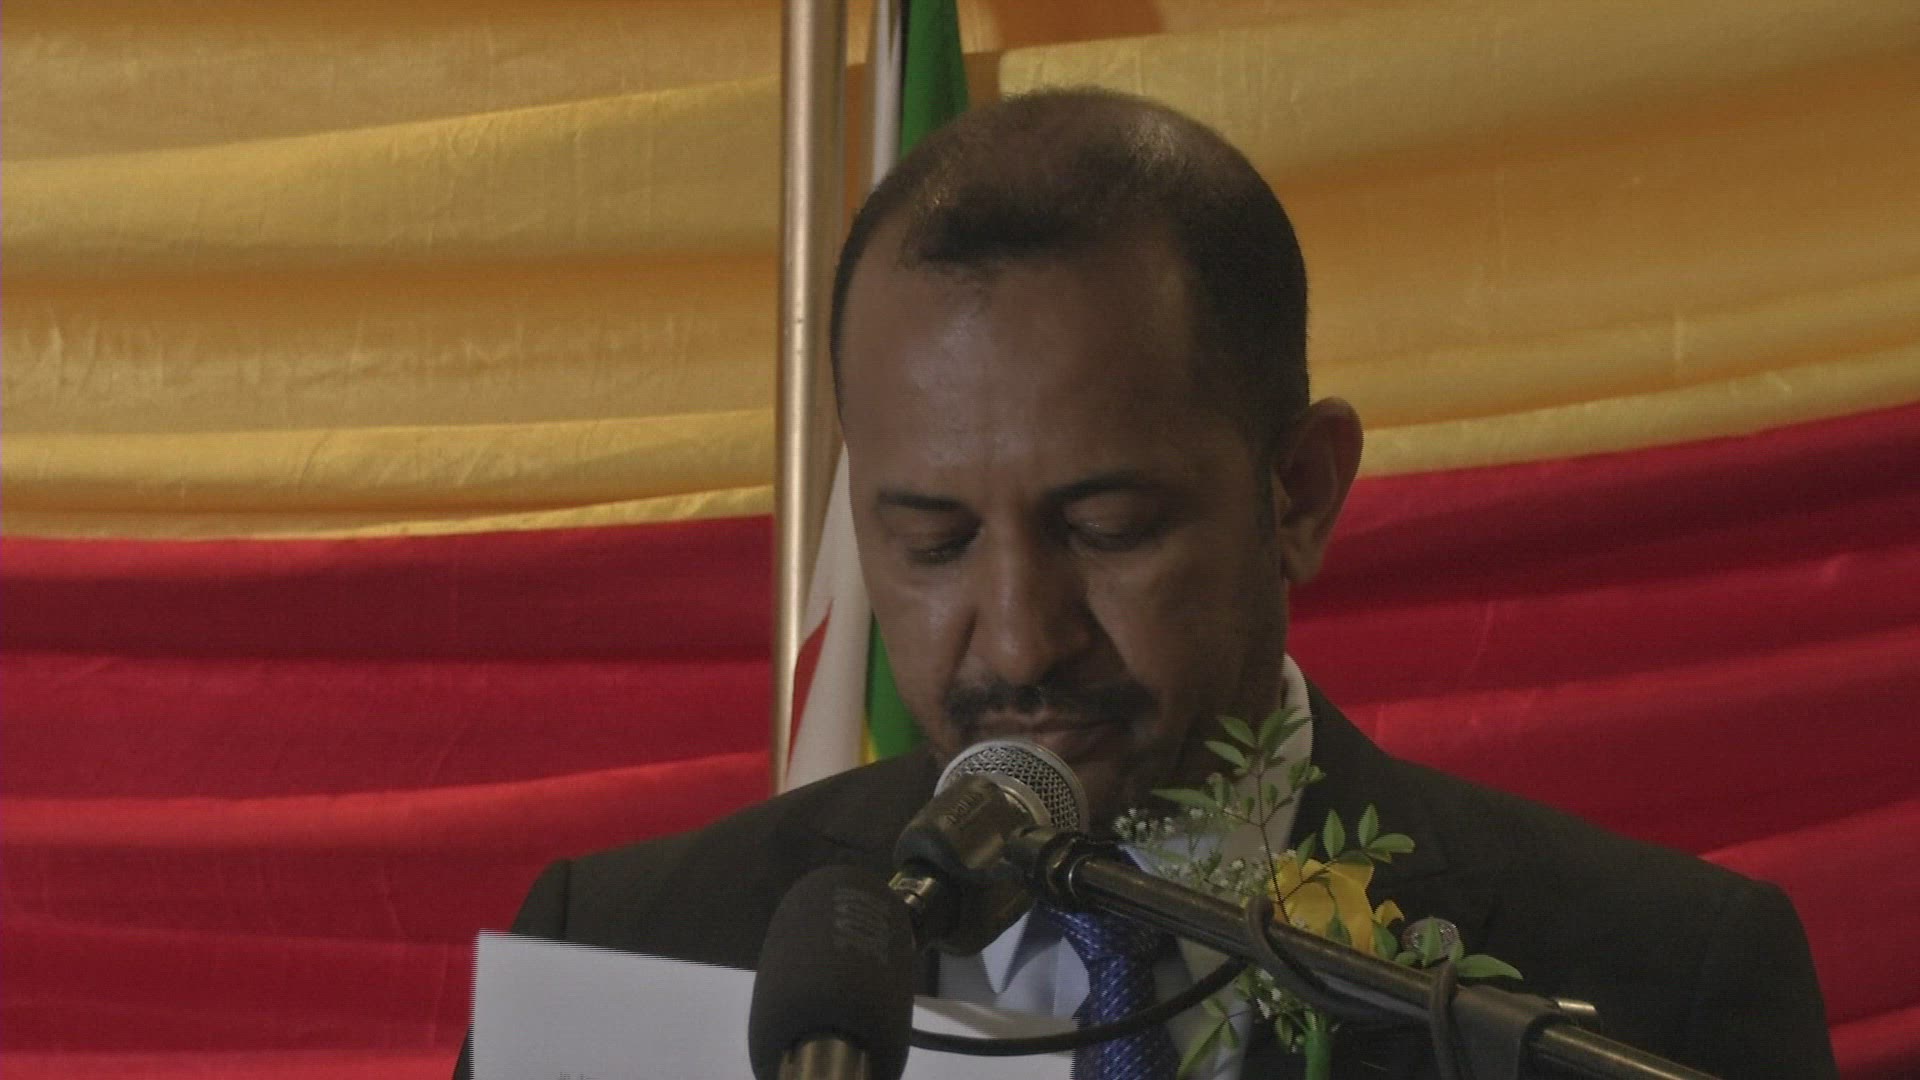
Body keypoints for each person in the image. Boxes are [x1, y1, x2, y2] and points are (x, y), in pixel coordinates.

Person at [458, 89, 1835, 1079]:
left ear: (1298, 493)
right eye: (932, 542)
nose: (1018, 638)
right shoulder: (633, 954)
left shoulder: (1653, 986)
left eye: (1107, 528)